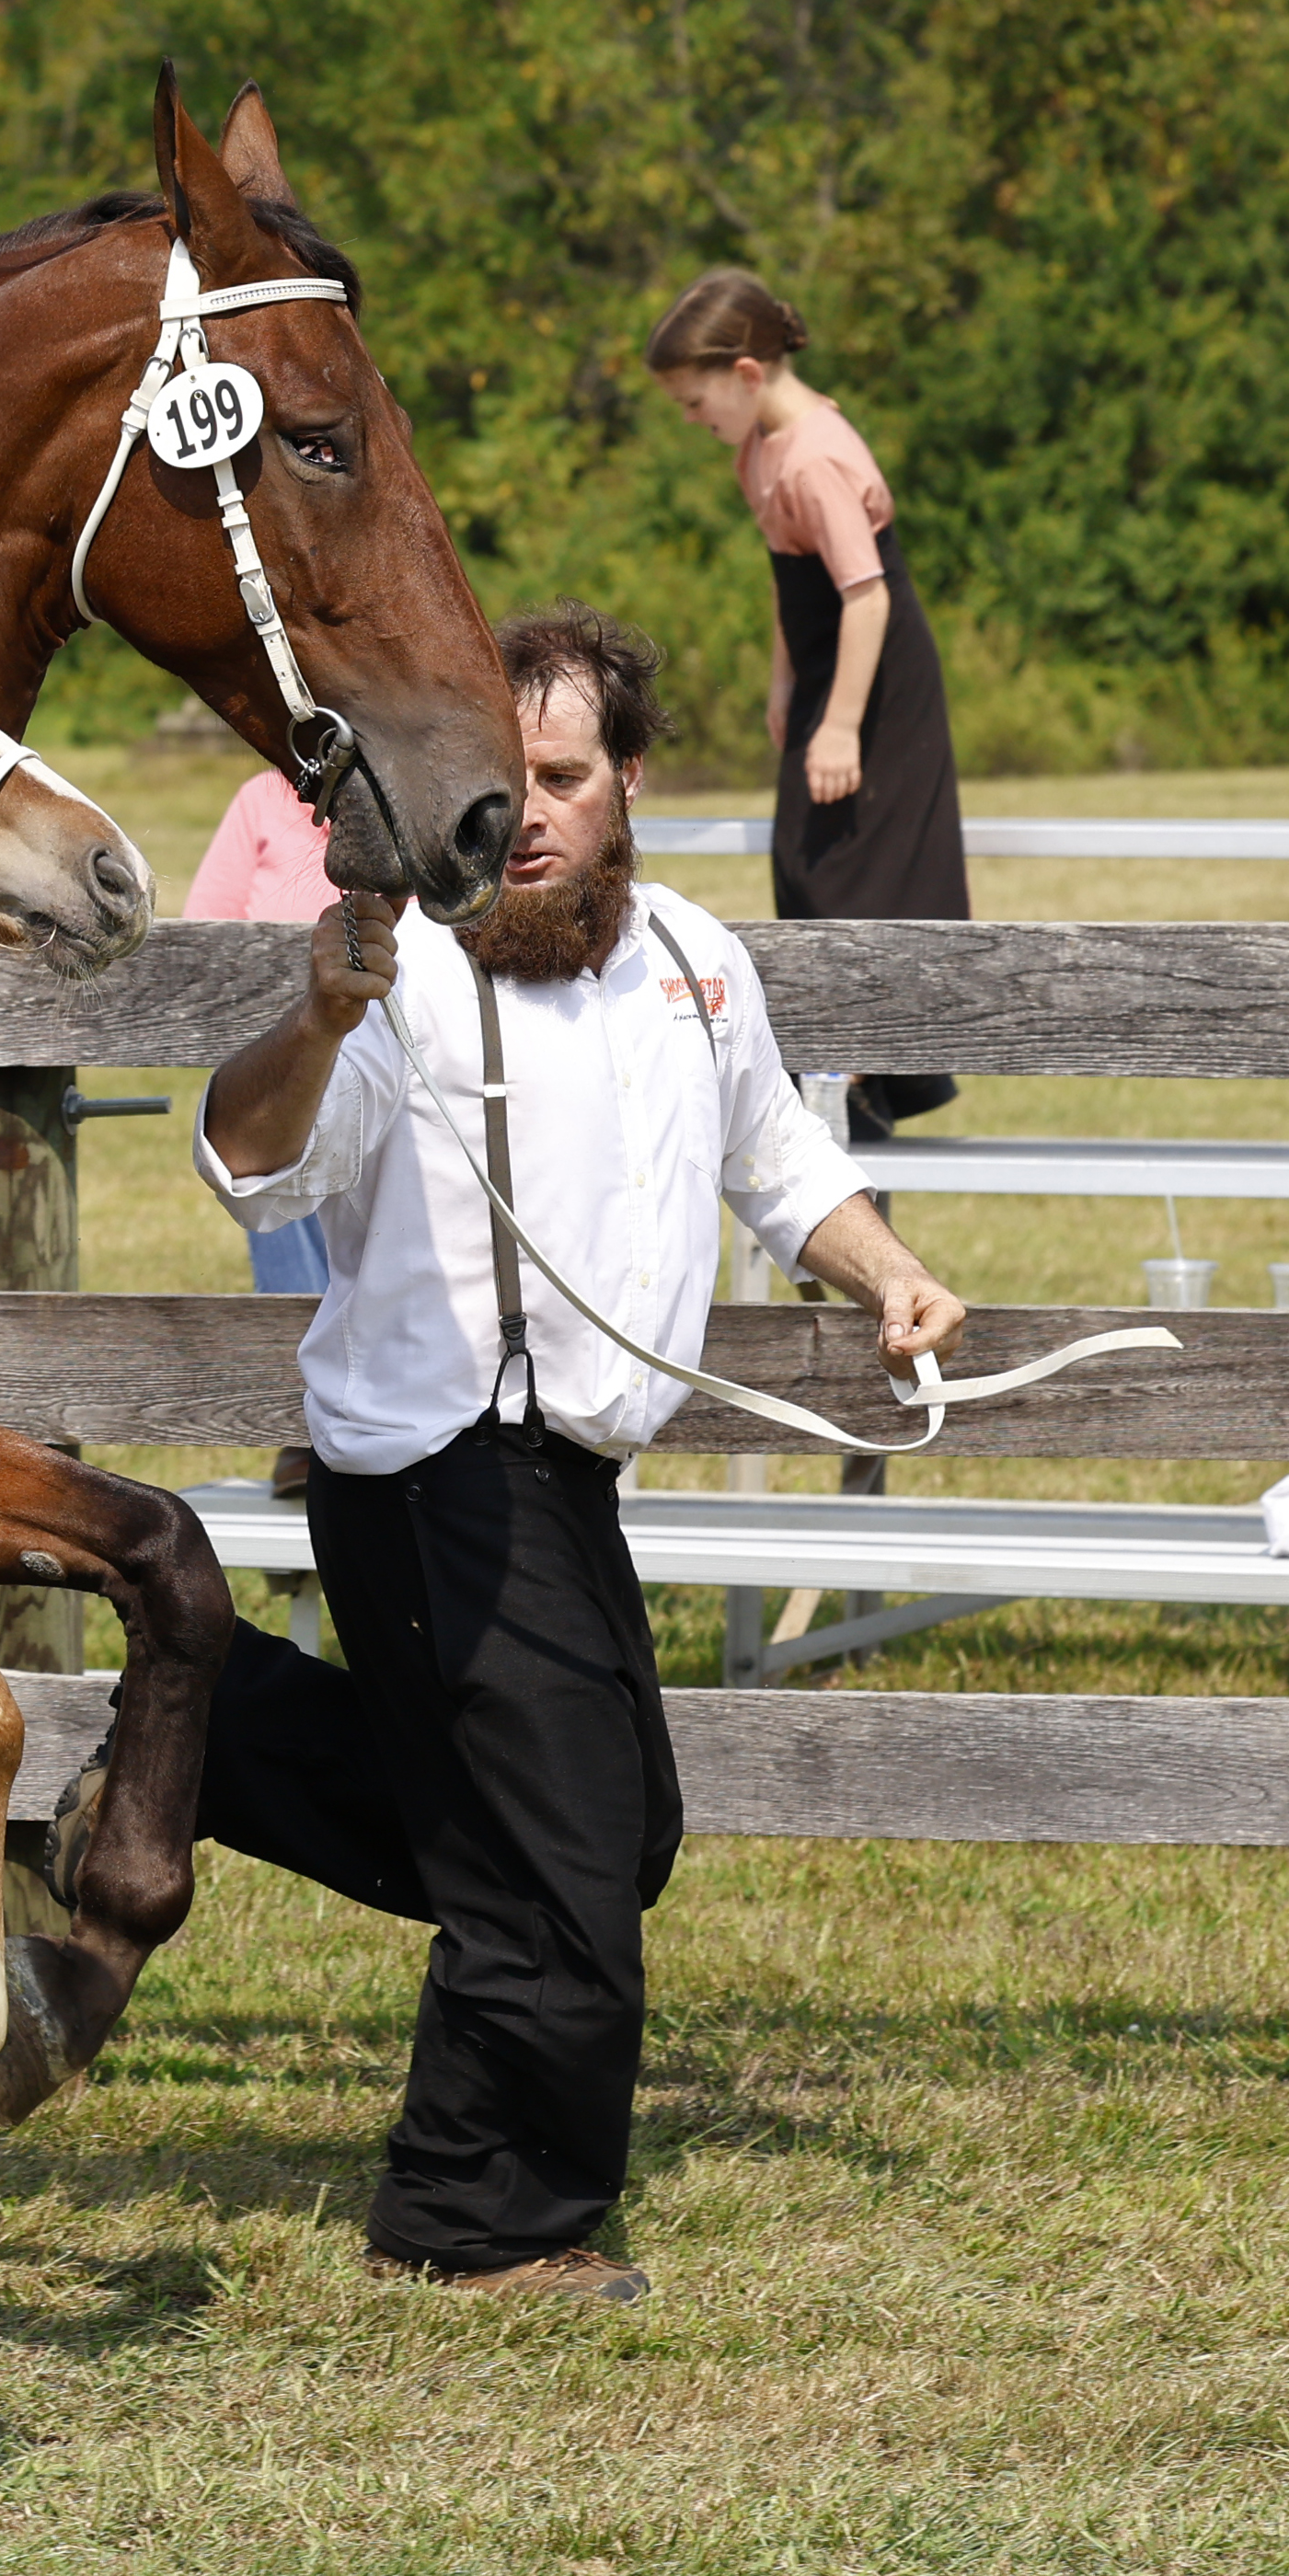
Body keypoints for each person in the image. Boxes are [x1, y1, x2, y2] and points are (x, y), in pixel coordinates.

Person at [183, 602, 970, 2300]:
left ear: (626, 779)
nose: (524, 810)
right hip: (427, 1470)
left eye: (559, 775)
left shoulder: (693, 959)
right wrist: (314, 1018)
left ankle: (201, 1731)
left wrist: (887, 1270)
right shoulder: (403, 982)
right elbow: (249, 1170)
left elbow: (775, 1162)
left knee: (612, 1842)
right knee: (555, 1871)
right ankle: (479, 2223)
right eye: (496, 775)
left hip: (570, 1475)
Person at [644, 268, 966, 1149]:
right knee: (804, 864)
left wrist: (839, 722)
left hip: (877, 688)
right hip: (830, 672)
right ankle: (833, 1086)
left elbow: (866, 597)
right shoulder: (761, 449)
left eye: (694, 400)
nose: (691, 419)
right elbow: (800, 588)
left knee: (852, 876)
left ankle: (859, 1086)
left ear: (747, 375)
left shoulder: (816, 454)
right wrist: (787, 682)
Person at [184, 764, 340, 1494]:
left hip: (397, 1043)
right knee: (276, 1194)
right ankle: (302, 1421)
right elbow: (204, 930)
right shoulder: (266, 798)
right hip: (284, 1051)